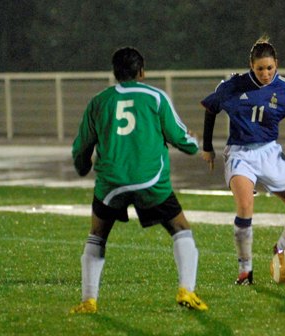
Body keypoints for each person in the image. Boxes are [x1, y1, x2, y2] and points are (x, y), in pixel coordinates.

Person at [70, 46, 208, 313]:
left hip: (111, 183)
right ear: (142, 71)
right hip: (150, 181)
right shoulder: (155, 97)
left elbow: (81, 147)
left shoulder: (99, 101)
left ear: (115, 73)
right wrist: (193, 142)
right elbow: (182, 139)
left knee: (97, 235)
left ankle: (89, 300)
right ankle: (186, 291)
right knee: (180, 229)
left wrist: (82, 165)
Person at [200, 35, 285, 285]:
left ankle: (282, 248)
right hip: (239, 153)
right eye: (260, 68)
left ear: (277, 64)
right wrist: (207, 147)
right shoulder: (234, 85)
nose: (265, 73)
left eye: (270, 68)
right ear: (251, 66)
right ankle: (245, 272)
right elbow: (211, 109)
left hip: (270, 153)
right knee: (245, 207)